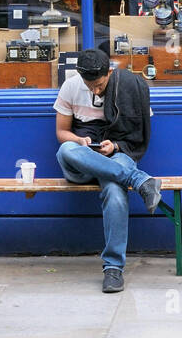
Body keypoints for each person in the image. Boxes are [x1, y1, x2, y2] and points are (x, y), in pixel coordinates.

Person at [54, 48, 161, 293]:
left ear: (109, 72)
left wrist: (115, 145)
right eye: (90, 85)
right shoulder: (70, 87)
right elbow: (62, 134)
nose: (96, 90)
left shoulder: (128, 86)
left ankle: (113, 269)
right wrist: (80, 142)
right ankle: (141, 181)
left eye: (100, 84)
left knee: (114, 190)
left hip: (117, 157)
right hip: (82, 161)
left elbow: (137, 134)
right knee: (66, 150)